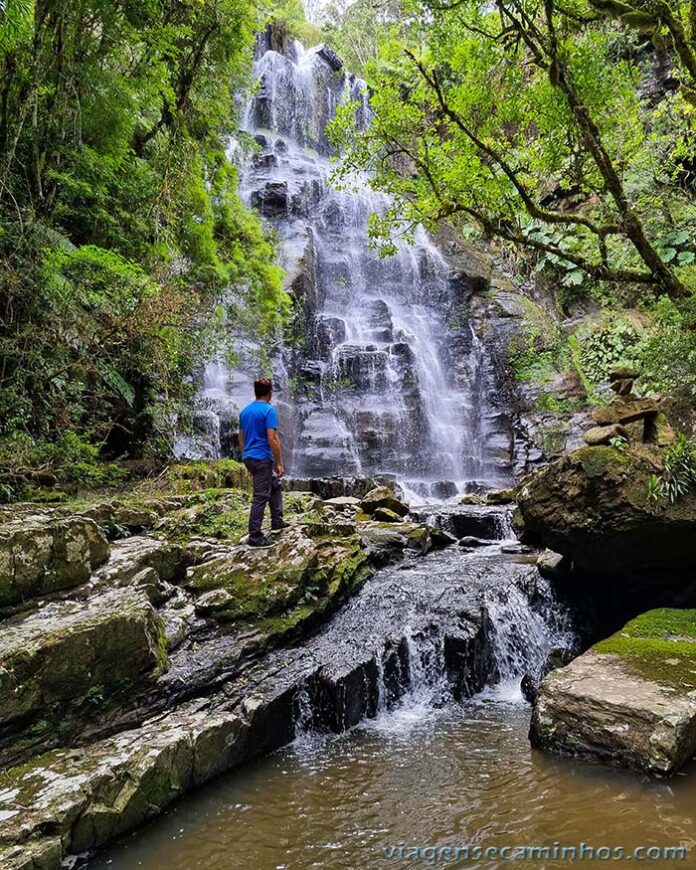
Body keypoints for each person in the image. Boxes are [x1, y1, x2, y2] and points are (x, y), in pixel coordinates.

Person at [238, 377, 289, 548]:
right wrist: (279, 462)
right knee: (260, 496)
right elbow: (272, 438)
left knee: (274, 484)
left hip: (249, 456)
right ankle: (255, 536)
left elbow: (241, 437)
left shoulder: (245, 411)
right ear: (270, 393)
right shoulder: (268, 410)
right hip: (261, 457)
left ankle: (277, 520)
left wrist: (246, 459)